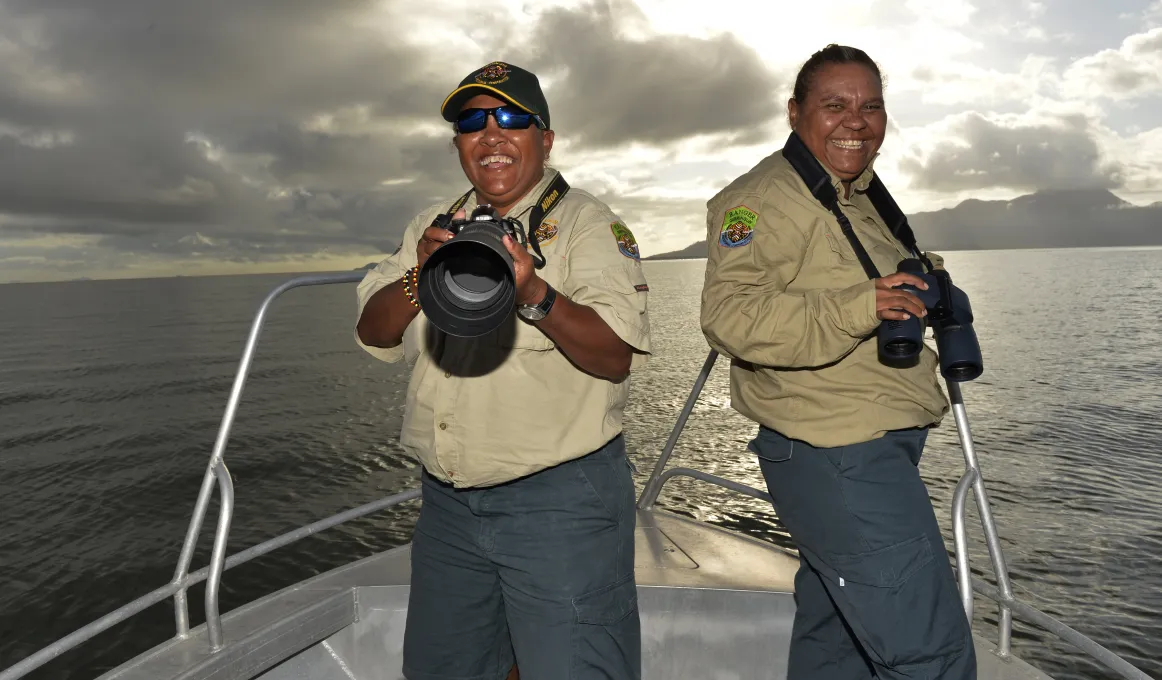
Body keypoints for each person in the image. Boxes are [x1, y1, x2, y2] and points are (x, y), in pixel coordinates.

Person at [354, 60, 651, 680]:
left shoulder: (588, 226)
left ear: (545, 137)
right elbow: (373, 329)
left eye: (512, 118)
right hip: (447, 505)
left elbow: (614, 354)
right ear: (458, 143)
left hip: (560, 502)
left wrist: (533, 292)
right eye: (471, 122)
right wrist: (420, 275)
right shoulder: (431, 227)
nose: (491, 134)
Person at [699, 44, 977, 679]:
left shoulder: (859, 192)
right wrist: (861, 305)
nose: (857, 120)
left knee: (838, 642)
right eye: (836, 105)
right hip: (839, 454)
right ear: (796, 113)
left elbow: (854, 271)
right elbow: (730, 317)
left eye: (871, 106)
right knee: (930, 655)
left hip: (869, 443)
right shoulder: (763, 199)